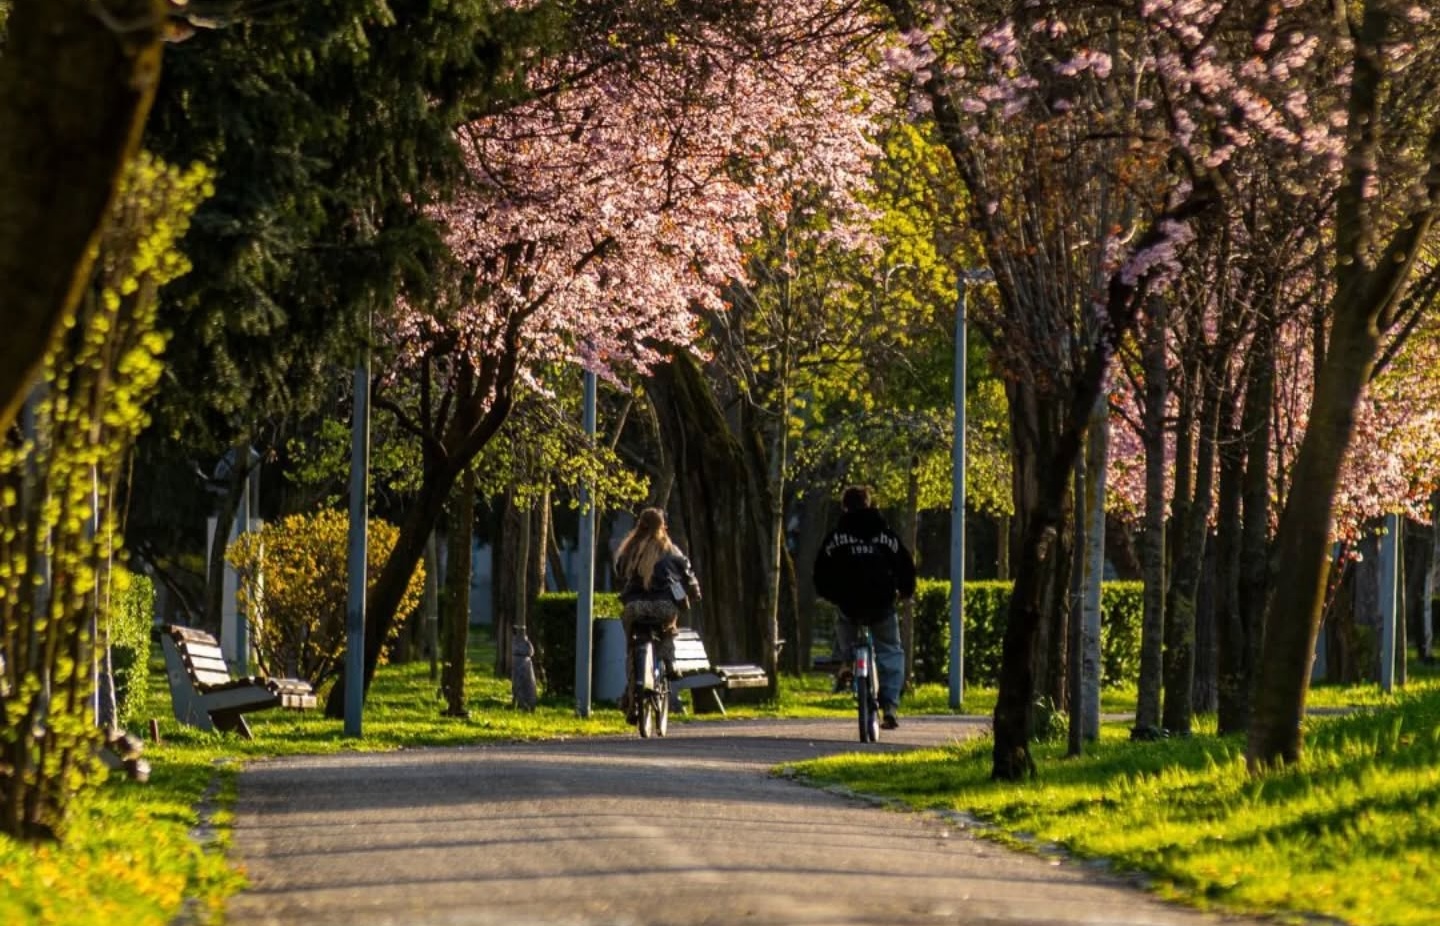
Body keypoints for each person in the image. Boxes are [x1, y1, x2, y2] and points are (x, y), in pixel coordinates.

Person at [813, 484, 916, 730]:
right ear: (869, 504)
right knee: (890, 651)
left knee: (845, 622)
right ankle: (890, 706)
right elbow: (905, 565)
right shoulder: (887, 536)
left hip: (849, 602)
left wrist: (829, 594)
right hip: (881, 603)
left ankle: (847, 661)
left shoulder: (836, 538)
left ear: (844, 507)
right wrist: (905, 592)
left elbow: (821, 572)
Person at [614, 507, 702, 721]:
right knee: (669, 625)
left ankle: (632, 699)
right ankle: (669, 661)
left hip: (635, 608)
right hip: (664, 606)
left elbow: (618, 569)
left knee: (633, 647)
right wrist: (694, 593)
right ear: (663, 526)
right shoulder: (671, 550)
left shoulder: (630, 548)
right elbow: (687, 574)